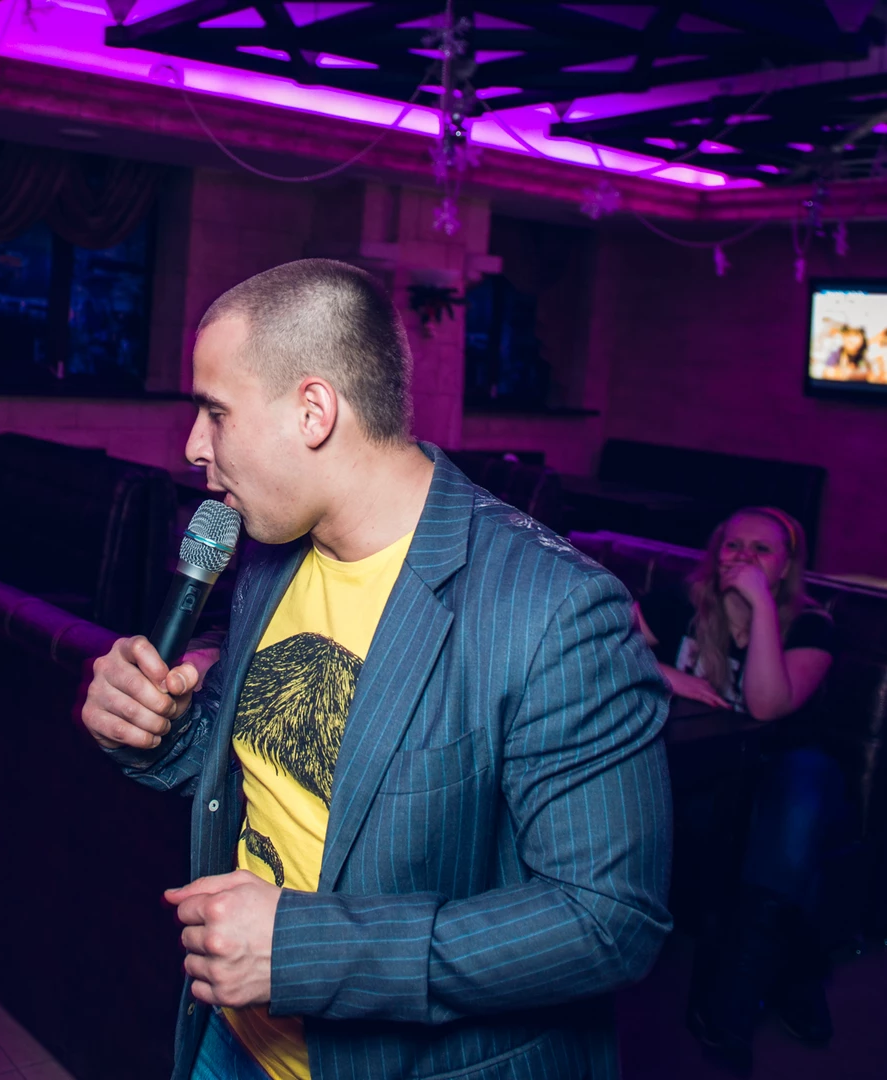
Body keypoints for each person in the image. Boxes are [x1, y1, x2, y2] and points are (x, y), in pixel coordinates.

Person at [81, 259, 672, 1080]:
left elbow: (607, 922)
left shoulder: (554, 611)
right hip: (232, 1039)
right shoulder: (271, 548)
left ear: (312, 411)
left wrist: (305, 951)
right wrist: (153, 730)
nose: (192, 446)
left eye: (215, 412)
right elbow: (264, 768)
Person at [634, 507, 840, 1073]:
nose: (743, 558)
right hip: (713, 764)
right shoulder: (682, 602)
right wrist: (668, 674)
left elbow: (768, 707)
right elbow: (601, 639)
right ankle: (797, 973)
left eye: (762, 550)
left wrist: (762, 609)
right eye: (733, 546)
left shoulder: (812, 625)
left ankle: (733, 1003)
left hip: (783, 763)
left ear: (786, 567)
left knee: (799, 799)